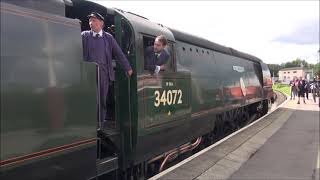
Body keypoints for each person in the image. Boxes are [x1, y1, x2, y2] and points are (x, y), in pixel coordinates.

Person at [81, 12, 133, 123]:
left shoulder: (108, 38)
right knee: (89, 99)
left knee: (102, 100)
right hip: (87, 74)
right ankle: (89, 122)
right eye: (90, 20)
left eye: (94, 20)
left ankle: (100, 123)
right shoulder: (84, 35)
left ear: (101, 23)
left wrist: (128, 68)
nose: (91, 23)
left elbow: (119, 53)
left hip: (103, 74)